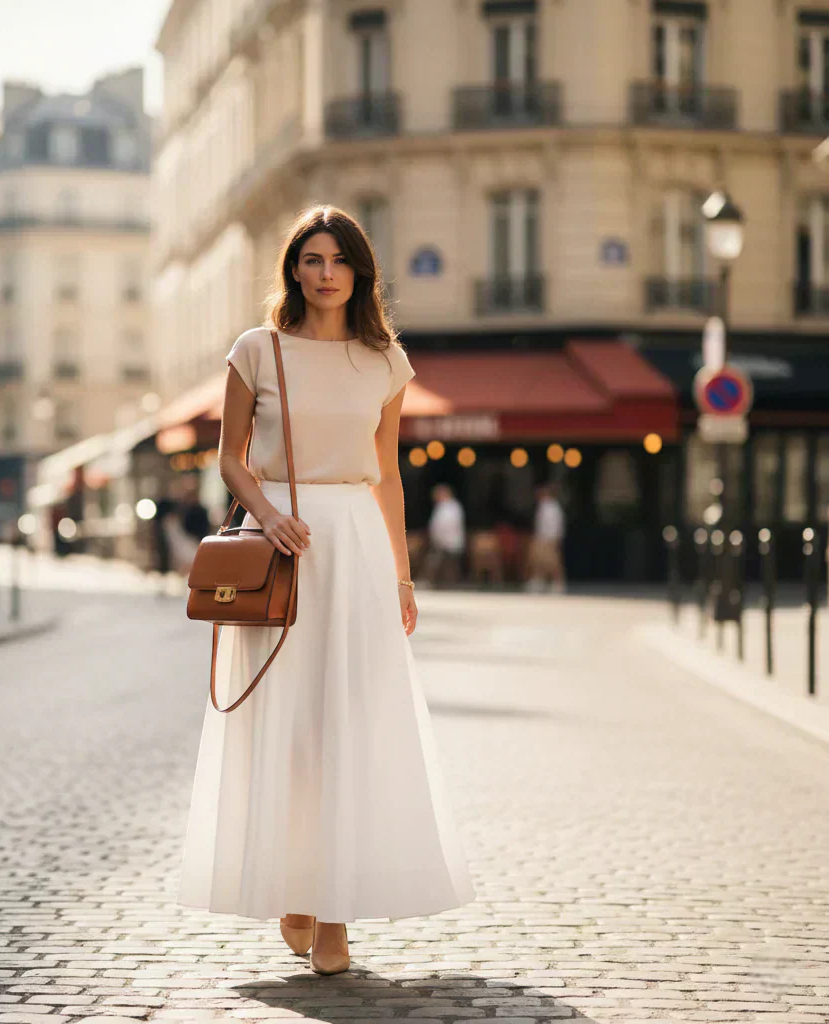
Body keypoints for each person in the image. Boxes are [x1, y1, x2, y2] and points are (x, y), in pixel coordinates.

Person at [176, 206, 475, 976]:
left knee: (350, 725)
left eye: (339, 259)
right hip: (279, 545)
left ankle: (336, 913)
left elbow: (389, 475)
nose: (326, 272)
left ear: (359, 271)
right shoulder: (257, 350)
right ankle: (293, 885)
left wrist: (402, 573)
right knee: (286, 727)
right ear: (294, 270)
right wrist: (269, 516)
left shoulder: (385, 362)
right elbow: (230, 460)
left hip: (358, 552)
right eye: (311, 258)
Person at [526, 482, 566, 593]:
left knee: (553, 562)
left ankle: (558, 584)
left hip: (549, 539)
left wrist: (554, 540)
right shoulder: (543, 506)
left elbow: (556, 525)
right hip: (541, 538)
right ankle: (538, 581)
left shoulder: (553, 507)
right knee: (538, 561)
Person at [426, 482, 466, 587]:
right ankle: (439, 584)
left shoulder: (452, 507)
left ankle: (445, 584)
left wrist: (439, 541)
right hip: (442, 543)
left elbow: (446, 526)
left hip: (449, 543)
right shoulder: (442, 506)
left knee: (437, 564)